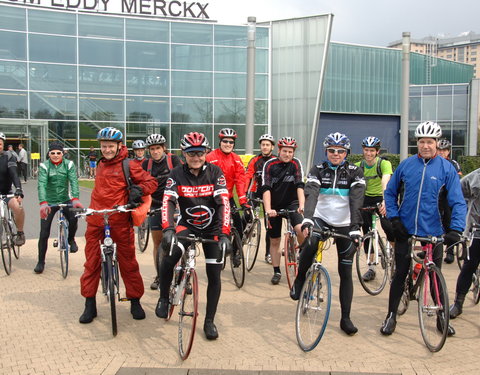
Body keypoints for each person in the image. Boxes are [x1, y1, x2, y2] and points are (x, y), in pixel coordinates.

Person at [381, 121, 467, 336]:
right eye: (422, 142)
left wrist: (456, 229)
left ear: (437, 144)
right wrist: (394, 219)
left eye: (430, 142)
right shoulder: (406, 165)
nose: (426, 146)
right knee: (400, 273)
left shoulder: (447, 169)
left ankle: (441, 317)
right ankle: (391, 315)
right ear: (416, 143)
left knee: (435, 276)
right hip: (406, 228)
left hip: (435, 231)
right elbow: (390, 193)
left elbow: (458, 202)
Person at [155, 132, 231, 340]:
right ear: (184, 154)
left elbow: (224, 204)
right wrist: (168, 229)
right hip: (186, 226)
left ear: (206, 152)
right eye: (191, 154)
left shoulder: (216, 173)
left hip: (212, 229)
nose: (196, 157)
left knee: (215, 275)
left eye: (199, 153)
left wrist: (225, 234)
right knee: (168, 255)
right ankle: (163, 298)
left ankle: (209, 321)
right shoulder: (176, 174)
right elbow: (168, 202)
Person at [79, 127, 157, 324]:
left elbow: (152, 182)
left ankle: (135, 301)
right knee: (91, 263)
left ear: (119, 146)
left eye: (110, 146)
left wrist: (138, 190)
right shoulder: (99, 164)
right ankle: (89, 304)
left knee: (128, 263)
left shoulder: (128, 165)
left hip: (120, 221)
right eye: (104, 146)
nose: (106, 149)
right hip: (96, 220)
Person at [291, 132, 365, 335]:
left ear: (346, 153)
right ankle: (299, 279)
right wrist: (307, 217)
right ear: (326, 151)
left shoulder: (355, 172)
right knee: (311, 240)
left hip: (345, 223)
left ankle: (346, 318)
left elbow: (357, 201)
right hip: (320, 218)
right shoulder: (317, 170)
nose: (335, 154)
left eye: (340, 151)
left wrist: (356, 227)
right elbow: (311, 194)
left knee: (346, 271)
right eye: (331, 150)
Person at [35, 141, 83, 274]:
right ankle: (40, 261)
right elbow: (42, 185)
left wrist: (75, 199)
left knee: (74, 218)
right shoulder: (44, 166)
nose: (55, 155)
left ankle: (71, 239)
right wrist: (43, 203)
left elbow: (74, 182)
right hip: (49, 202)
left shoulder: (69, 165)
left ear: (63, 154)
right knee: (44, 233)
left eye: (58, 153)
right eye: (53, 153)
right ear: (49, 154)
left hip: (66, 199)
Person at [262, 136, 305, 285]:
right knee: (275, 240)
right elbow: (266, 189)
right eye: (285, 151)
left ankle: (302, 253)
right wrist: (268, 209)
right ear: (279, 150)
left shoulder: (296, 163)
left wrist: (302, 205)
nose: (287, 154)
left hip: (292, 203)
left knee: (301, 229)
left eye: (290, 151)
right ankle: (277, 271)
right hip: (274, 205)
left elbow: (300, 185)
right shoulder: (270, 164)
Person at [142, 134, 182, 290]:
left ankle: (182, 276)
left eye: (158, 148)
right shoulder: (146, 165)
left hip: (174, 205)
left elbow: (182, 180)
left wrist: (179, 205)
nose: (155, 151)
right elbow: (141, 185)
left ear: (164, 148)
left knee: (180, 242)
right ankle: (160, 276)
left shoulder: (174, 161)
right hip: (156, 206)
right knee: (158, 244)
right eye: (152, 149)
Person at [355, 136, 395, 281]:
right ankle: (371, 267)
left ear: (377, 151)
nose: (369, 153)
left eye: (372, 150)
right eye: (366, 150)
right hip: (365, 198)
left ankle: (395, 254)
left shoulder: (384, 164)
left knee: (388, 226)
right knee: (366, 231)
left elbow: (385, 180)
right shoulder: (358, 165)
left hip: (381, 196)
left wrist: (385, 200)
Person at [206, 128, 248, 265]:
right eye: (225, 141)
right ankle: (217, 251)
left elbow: (240, 180)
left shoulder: (236, 160)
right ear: (220, 141)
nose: (228, 144)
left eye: (231, 142)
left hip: (228, 198)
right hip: (212, 198)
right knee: (216, 227)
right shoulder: (211, 157)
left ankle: (235, 252)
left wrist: (242, 200)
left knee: (239, 224)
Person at [449, 167, 480, 319]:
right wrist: (469, 211)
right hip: (477, 230)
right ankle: (458, 303)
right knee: (470, 265)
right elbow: (457, 194)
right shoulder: (475, 177)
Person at [245, 134, 276, 263]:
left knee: (270, 225)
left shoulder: (276, 160)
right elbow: (247, 176)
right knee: (247, 218)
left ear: (272, 147)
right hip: (256, 193)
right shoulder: (255, 160)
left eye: (267, 145)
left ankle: (268, 253)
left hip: (270, 194)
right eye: (263, 144)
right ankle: (238, 246)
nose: (264, 147)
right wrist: (244, 194)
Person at [437, 138, 462, 264]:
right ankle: (428, 249)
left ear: (448, 151)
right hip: (436, 197)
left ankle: (450, 251)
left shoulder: (453, 164)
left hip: (448, 197)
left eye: (444, 150)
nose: (441, 152)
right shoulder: (433, 162)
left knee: (448, 222)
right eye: (439, 150)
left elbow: (457, 180)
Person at [0, 133, 25, 246]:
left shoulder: (8, 156)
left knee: (18, 208)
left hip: (6, 193)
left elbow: (14, 175)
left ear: (3, 145)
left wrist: (18, 189)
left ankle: (20, 233)